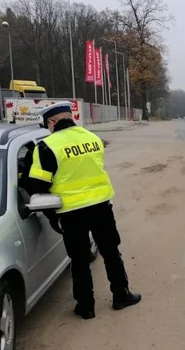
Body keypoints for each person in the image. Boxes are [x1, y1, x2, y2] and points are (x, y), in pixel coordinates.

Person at [28, 101, 141, 320]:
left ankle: (86, 307)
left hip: (71, 212)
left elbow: (38, 187)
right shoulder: (93, 138)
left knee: (79, 260)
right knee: (111, 252)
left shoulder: (46, 146)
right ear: (70, 117)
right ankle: (121, 295)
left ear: (51, 122)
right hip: (101, 207)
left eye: (47, 124)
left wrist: (51, 215)